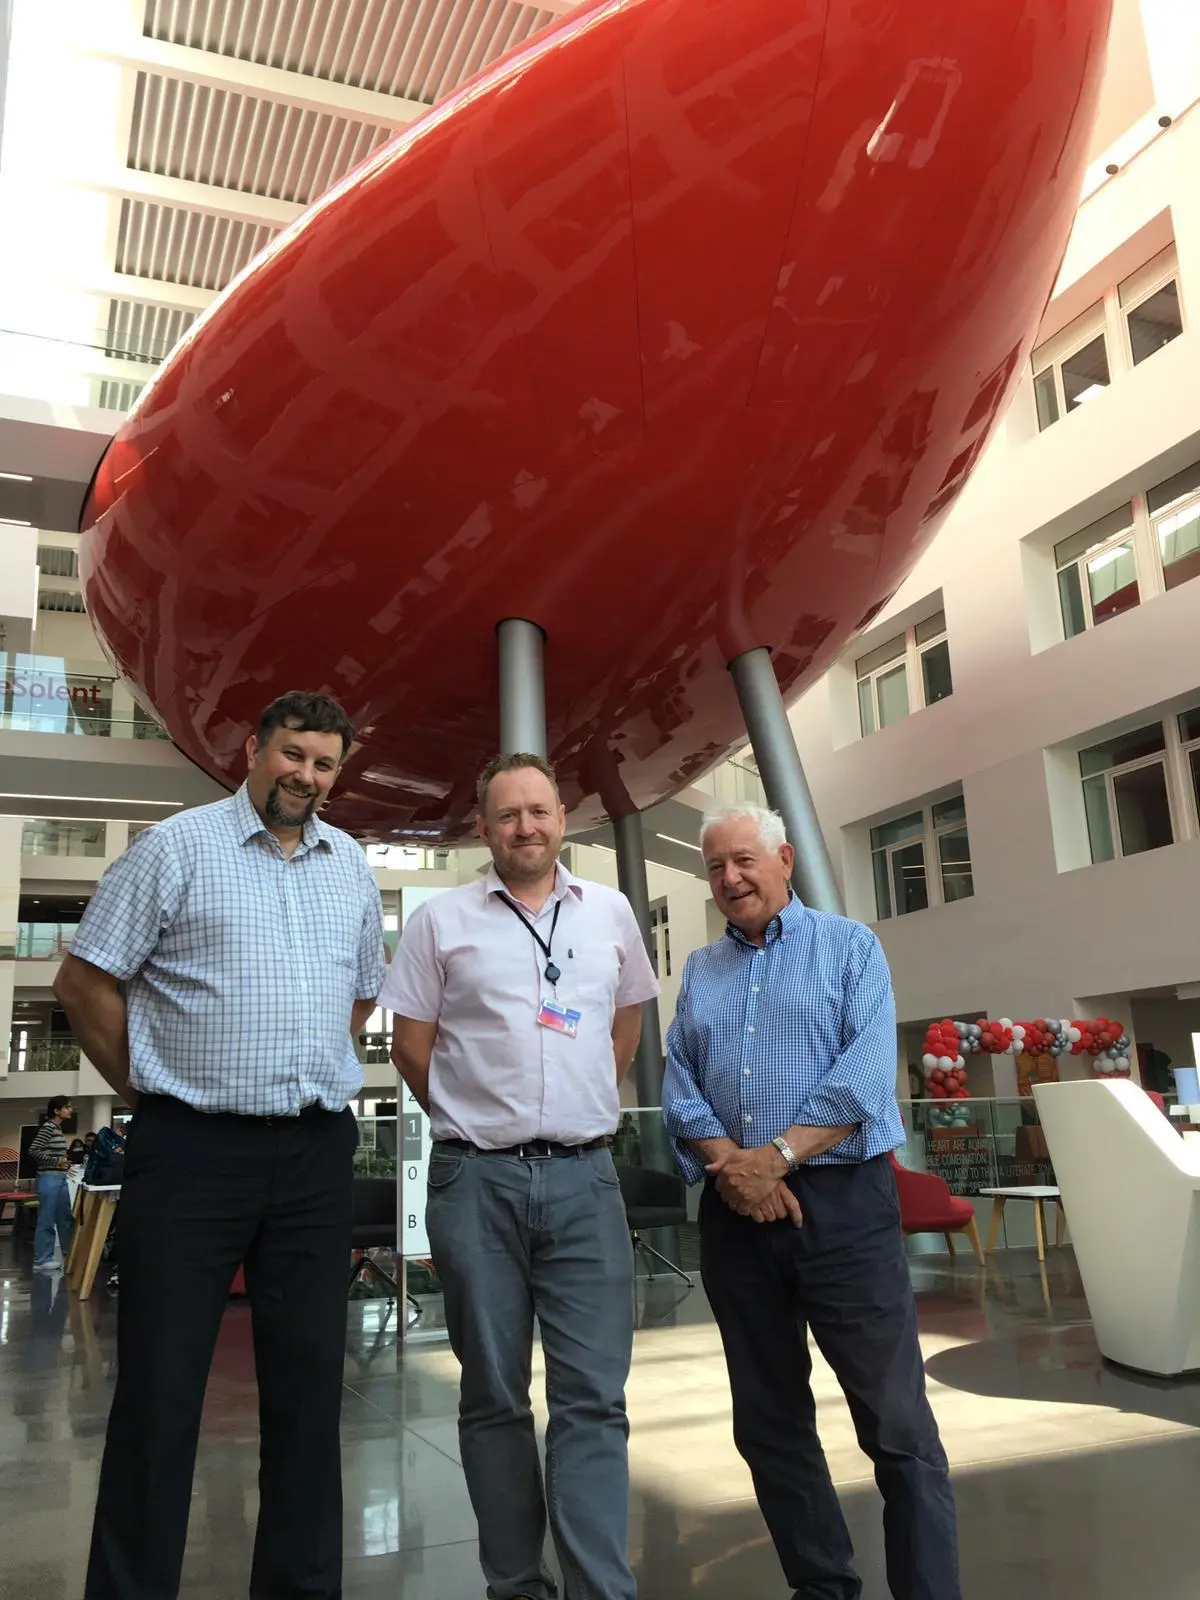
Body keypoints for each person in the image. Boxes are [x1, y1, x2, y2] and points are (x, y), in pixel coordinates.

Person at [53, 690, 386, 1600]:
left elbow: (361, 994)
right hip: (190, 1154)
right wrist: (154, 1087)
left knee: (310, 1397)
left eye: (323, 764)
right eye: (292, 755)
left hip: (315, 1157)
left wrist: (305, 1056)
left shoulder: (351, 865)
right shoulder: (176, 848)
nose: (305, 776)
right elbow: (82, 983)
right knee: (160, 1395)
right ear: (252, 749)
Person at [379, 752, 660, 1600]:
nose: (526, 827)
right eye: (508, 815)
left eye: (539, 811)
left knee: (593, 1400)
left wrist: (567, 1109)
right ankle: (515, 1587)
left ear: (563, 818)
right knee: (495, 1395)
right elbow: (410, 1047)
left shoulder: (611, 913)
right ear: (483, 827)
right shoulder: (440, 922)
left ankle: (599, 1589)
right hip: (477, 1186)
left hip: (585, 1182)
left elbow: (626, 1028)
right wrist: (479, 1120)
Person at [662, 803, 961, 1600]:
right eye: (716, 866)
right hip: (735, 1213)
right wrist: (736, 1169)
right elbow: (679, 1087)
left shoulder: (850, 947)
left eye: (745, 861)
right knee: (768, 1422)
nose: (730, 878)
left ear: (785, 858)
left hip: (844, 1208)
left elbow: (864, 1075)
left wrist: (776, 1159)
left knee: (895, 1422)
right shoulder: (699, 971)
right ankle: (822, 1586)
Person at [29, 1095, 74, 1272]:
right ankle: (42, 1259)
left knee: (65, 1217)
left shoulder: (57, 1129)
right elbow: (33, 1151)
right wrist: (56, 1162)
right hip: (49, 1178)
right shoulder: (48, 1128)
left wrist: (63, 1165)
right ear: (56, 1111)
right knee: (47, 1218)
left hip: (59, 1177)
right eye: (67, 1107)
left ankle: (68, 1252)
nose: (70, 1110)